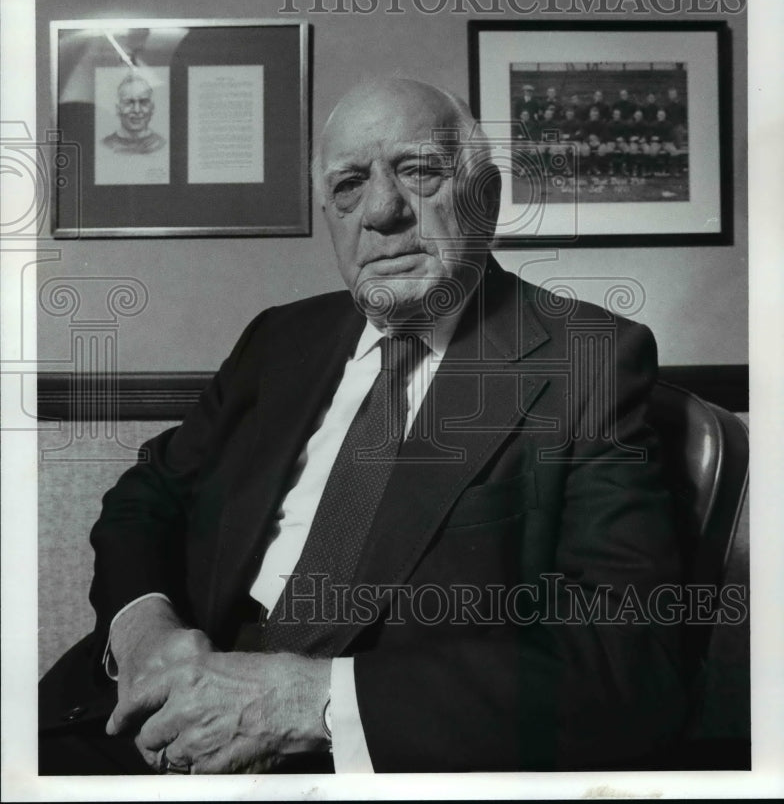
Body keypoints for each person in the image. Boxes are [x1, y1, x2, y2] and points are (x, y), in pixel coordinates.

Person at [39, 78, 687, 775]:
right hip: (142, 712)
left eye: (418, 170)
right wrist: (141, 631)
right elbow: (148, 494)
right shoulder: (281, 340)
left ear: (488, 198)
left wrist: (312, 703)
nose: (381, 210)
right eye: (350, 184)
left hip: (361, 752)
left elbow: (631, 663)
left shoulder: (586, 359)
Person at [102, 74, 165, 154]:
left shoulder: (160, 144)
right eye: (129, 102)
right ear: (118, 109)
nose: (137, 110)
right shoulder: (106, 145)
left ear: (152, 108)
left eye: (143, 102)